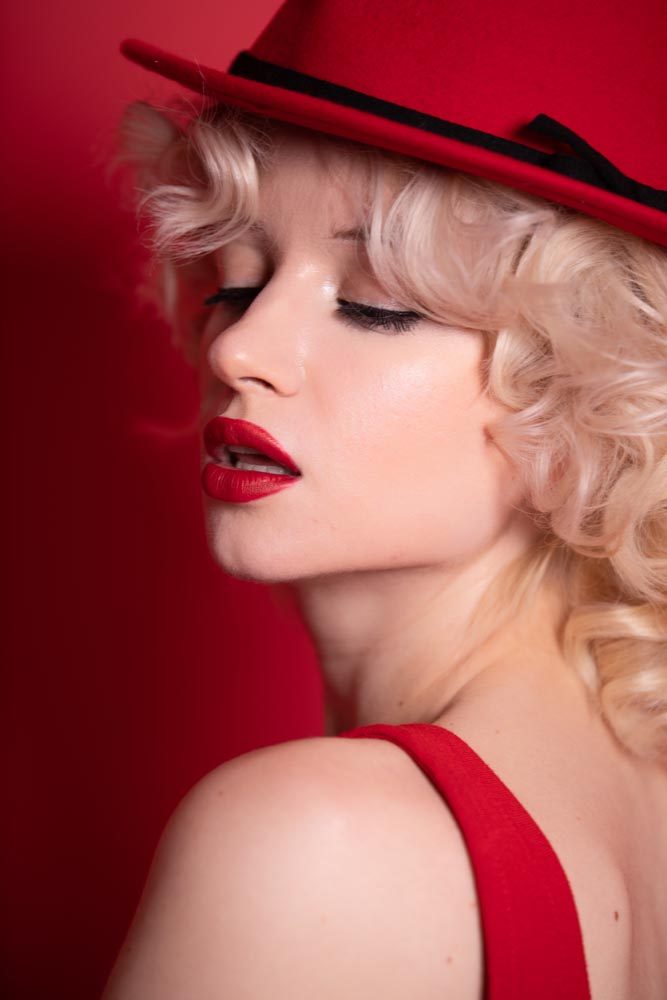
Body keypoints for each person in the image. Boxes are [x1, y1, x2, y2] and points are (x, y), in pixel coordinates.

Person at [103, 2, 667, 997]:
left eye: (375, 304)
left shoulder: (307, 848)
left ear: (583, 392)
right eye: (236, 278)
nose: (236, 348)